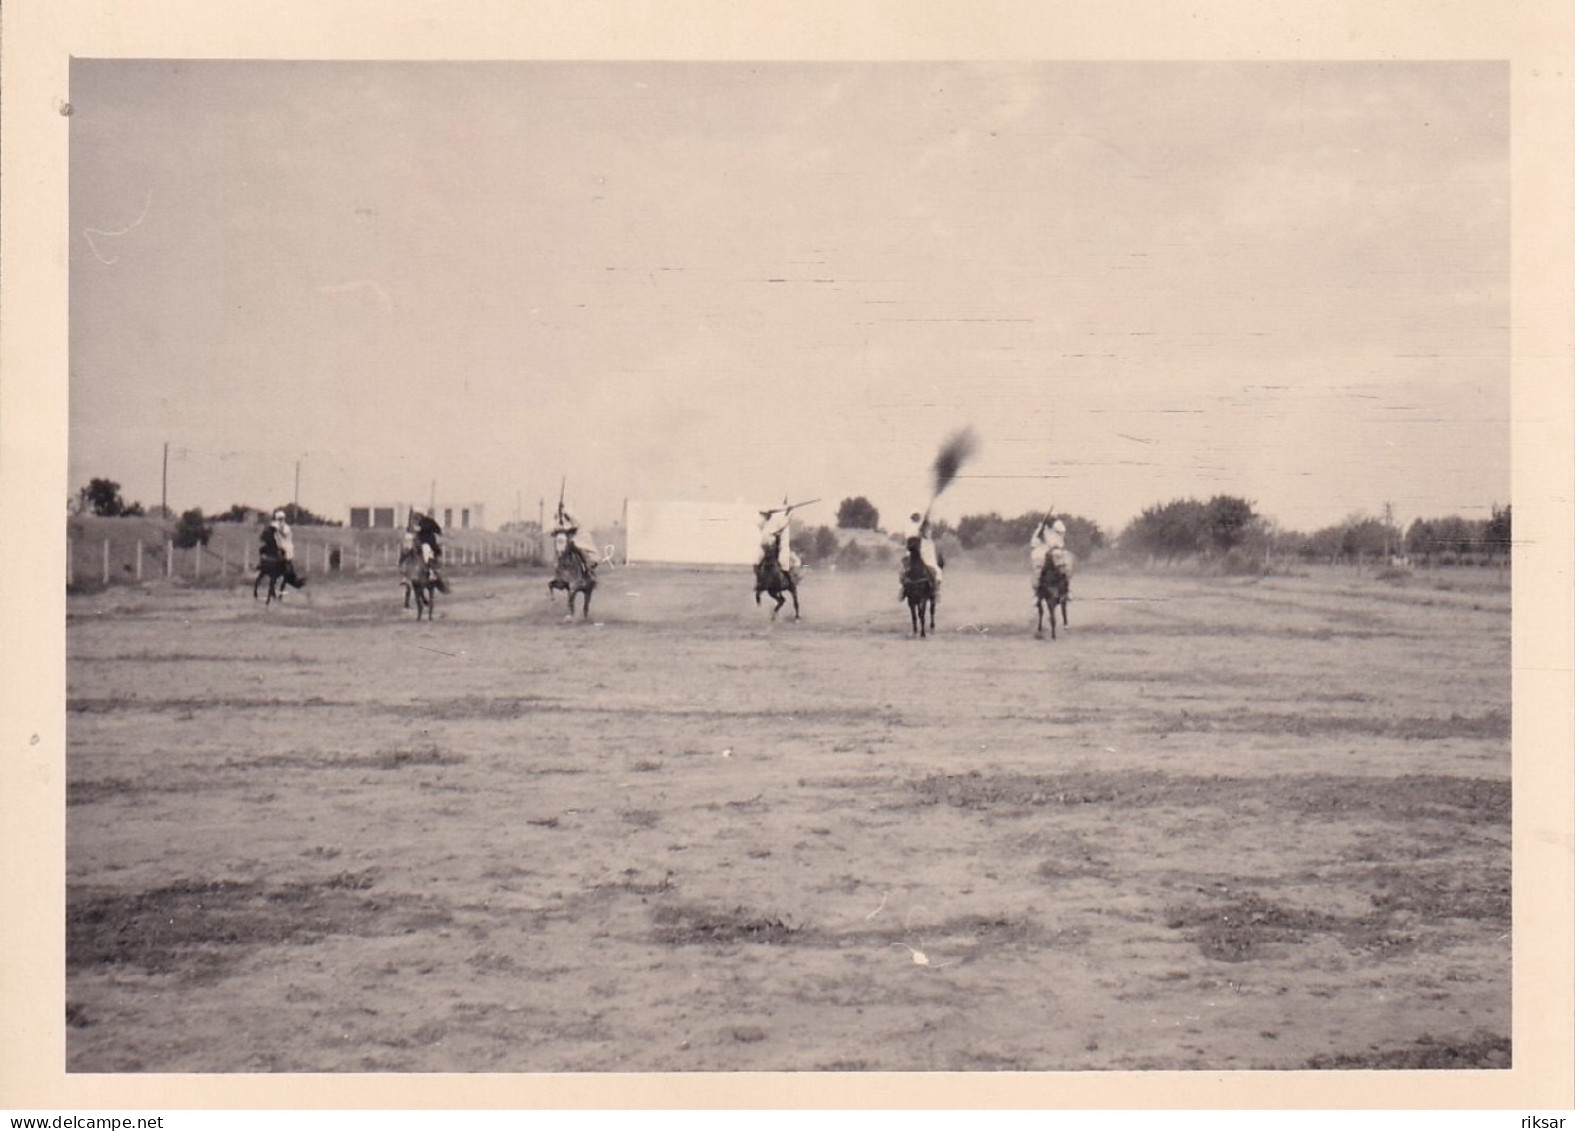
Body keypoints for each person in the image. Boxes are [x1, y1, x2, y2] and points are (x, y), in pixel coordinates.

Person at [899, 511, 942, 600]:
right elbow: (910, 538)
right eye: (914, 518)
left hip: (926, 553)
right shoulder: (909, 528)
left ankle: (935, 591)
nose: (915, 519)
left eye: (916, 518)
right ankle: (903, 589)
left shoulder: (926, 531)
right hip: (912, 552)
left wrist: (923, 527)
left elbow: (925, 535)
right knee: (903, 570)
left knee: (936, 570)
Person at [1030, 515, 1073, 594]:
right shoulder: (1043, 529)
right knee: (1038, 566)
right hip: (1046, 549)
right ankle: (1037, 593)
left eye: (1051, 521)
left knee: (1063, 565)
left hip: (1057, 549)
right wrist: (1041, 528)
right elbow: (1035, 540)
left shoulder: (1058, 527)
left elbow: (1062, 529)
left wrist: (1052, 523)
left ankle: (1066, 590)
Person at [552, 504, 597, 577]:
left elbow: (576, 526)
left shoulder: (570, 517)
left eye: (561, 509)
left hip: (574, 538)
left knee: (579, 549)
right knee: (559, 554)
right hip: (563, 540)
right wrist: (556, 531)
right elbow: (555, 530)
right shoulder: (558, 520)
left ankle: (587, 567)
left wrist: (568, 530)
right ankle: (559, 572)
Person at [757, 507, 800, 579]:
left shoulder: (775, 523)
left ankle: (789, 581)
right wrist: (766, 513)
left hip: (774, 545)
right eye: (766, 515)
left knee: (782, 560)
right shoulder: (762, 523)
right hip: (764, 546)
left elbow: (784, 523)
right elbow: (759, 524)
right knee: (759, 562)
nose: (768, 516)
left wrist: (788, 512)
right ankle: (759, 581)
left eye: (769, 515)